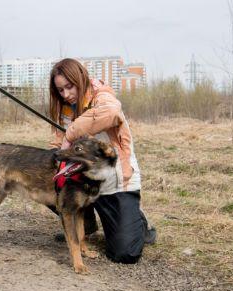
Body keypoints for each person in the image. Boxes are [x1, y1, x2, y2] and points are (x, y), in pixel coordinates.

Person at [49, 58, 155, 263]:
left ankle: (138, 221)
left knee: (125, 253)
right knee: (49, 178)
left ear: (80, 78)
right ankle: (85, 224)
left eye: (69, 87)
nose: (66, 94)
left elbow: (112, 112)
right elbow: (56, 146)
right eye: (60, 90)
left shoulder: (102, 95)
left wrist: (70, 133)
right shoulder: (65, 107)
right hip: (82, 180)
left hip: (113, 183)